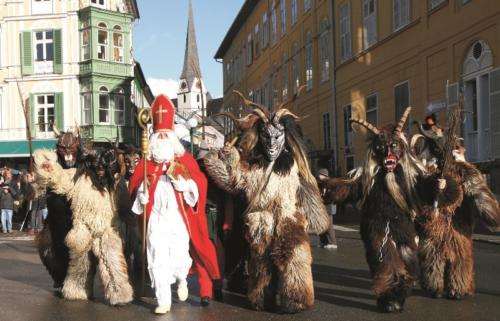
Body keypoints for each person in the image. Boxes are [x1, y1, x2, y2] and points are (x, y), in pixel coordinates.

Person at [128, 95, 220, 314]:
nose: (161, 139)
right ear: (152, 139)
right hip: (157, 219)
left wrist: (187, 185)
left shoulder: (183, 159)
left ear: (172, 137)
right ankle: (163, 300)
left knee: (180, 256)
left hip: (178, 218)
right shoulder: (147, 162)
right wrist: (140, 197)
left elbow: (200, 182)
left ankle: (181, 280)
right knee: (156, 254)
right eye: (158, 136)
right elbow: (136, 185)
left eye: (165, 135)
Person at [317, 168, 338, 250]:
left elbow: (332, 196)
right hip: (322, 207)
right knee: (320, 225)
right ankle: (324, 242)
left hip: (328, 207)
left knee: (328, 225)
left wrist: (324, 198)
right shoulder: (321, 183)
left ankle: (333, 243)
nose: (318, 176)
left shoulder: (330, 184)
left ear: (324, 175)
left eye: (320, 174)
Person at [0, 169, 18, 233]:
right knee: (2, 219)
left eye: (9, 174)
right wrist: (2, 186)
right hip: (2, 204)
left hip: (10, 204)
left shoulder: (14, 182)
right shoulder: (2, 183)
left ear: (11, 175)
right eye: (6, 174)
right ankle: (4, 229)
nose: (8, 175)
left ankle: (9, 229)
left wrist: (9, 188)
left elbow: (15, 193)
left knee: (9, 219)